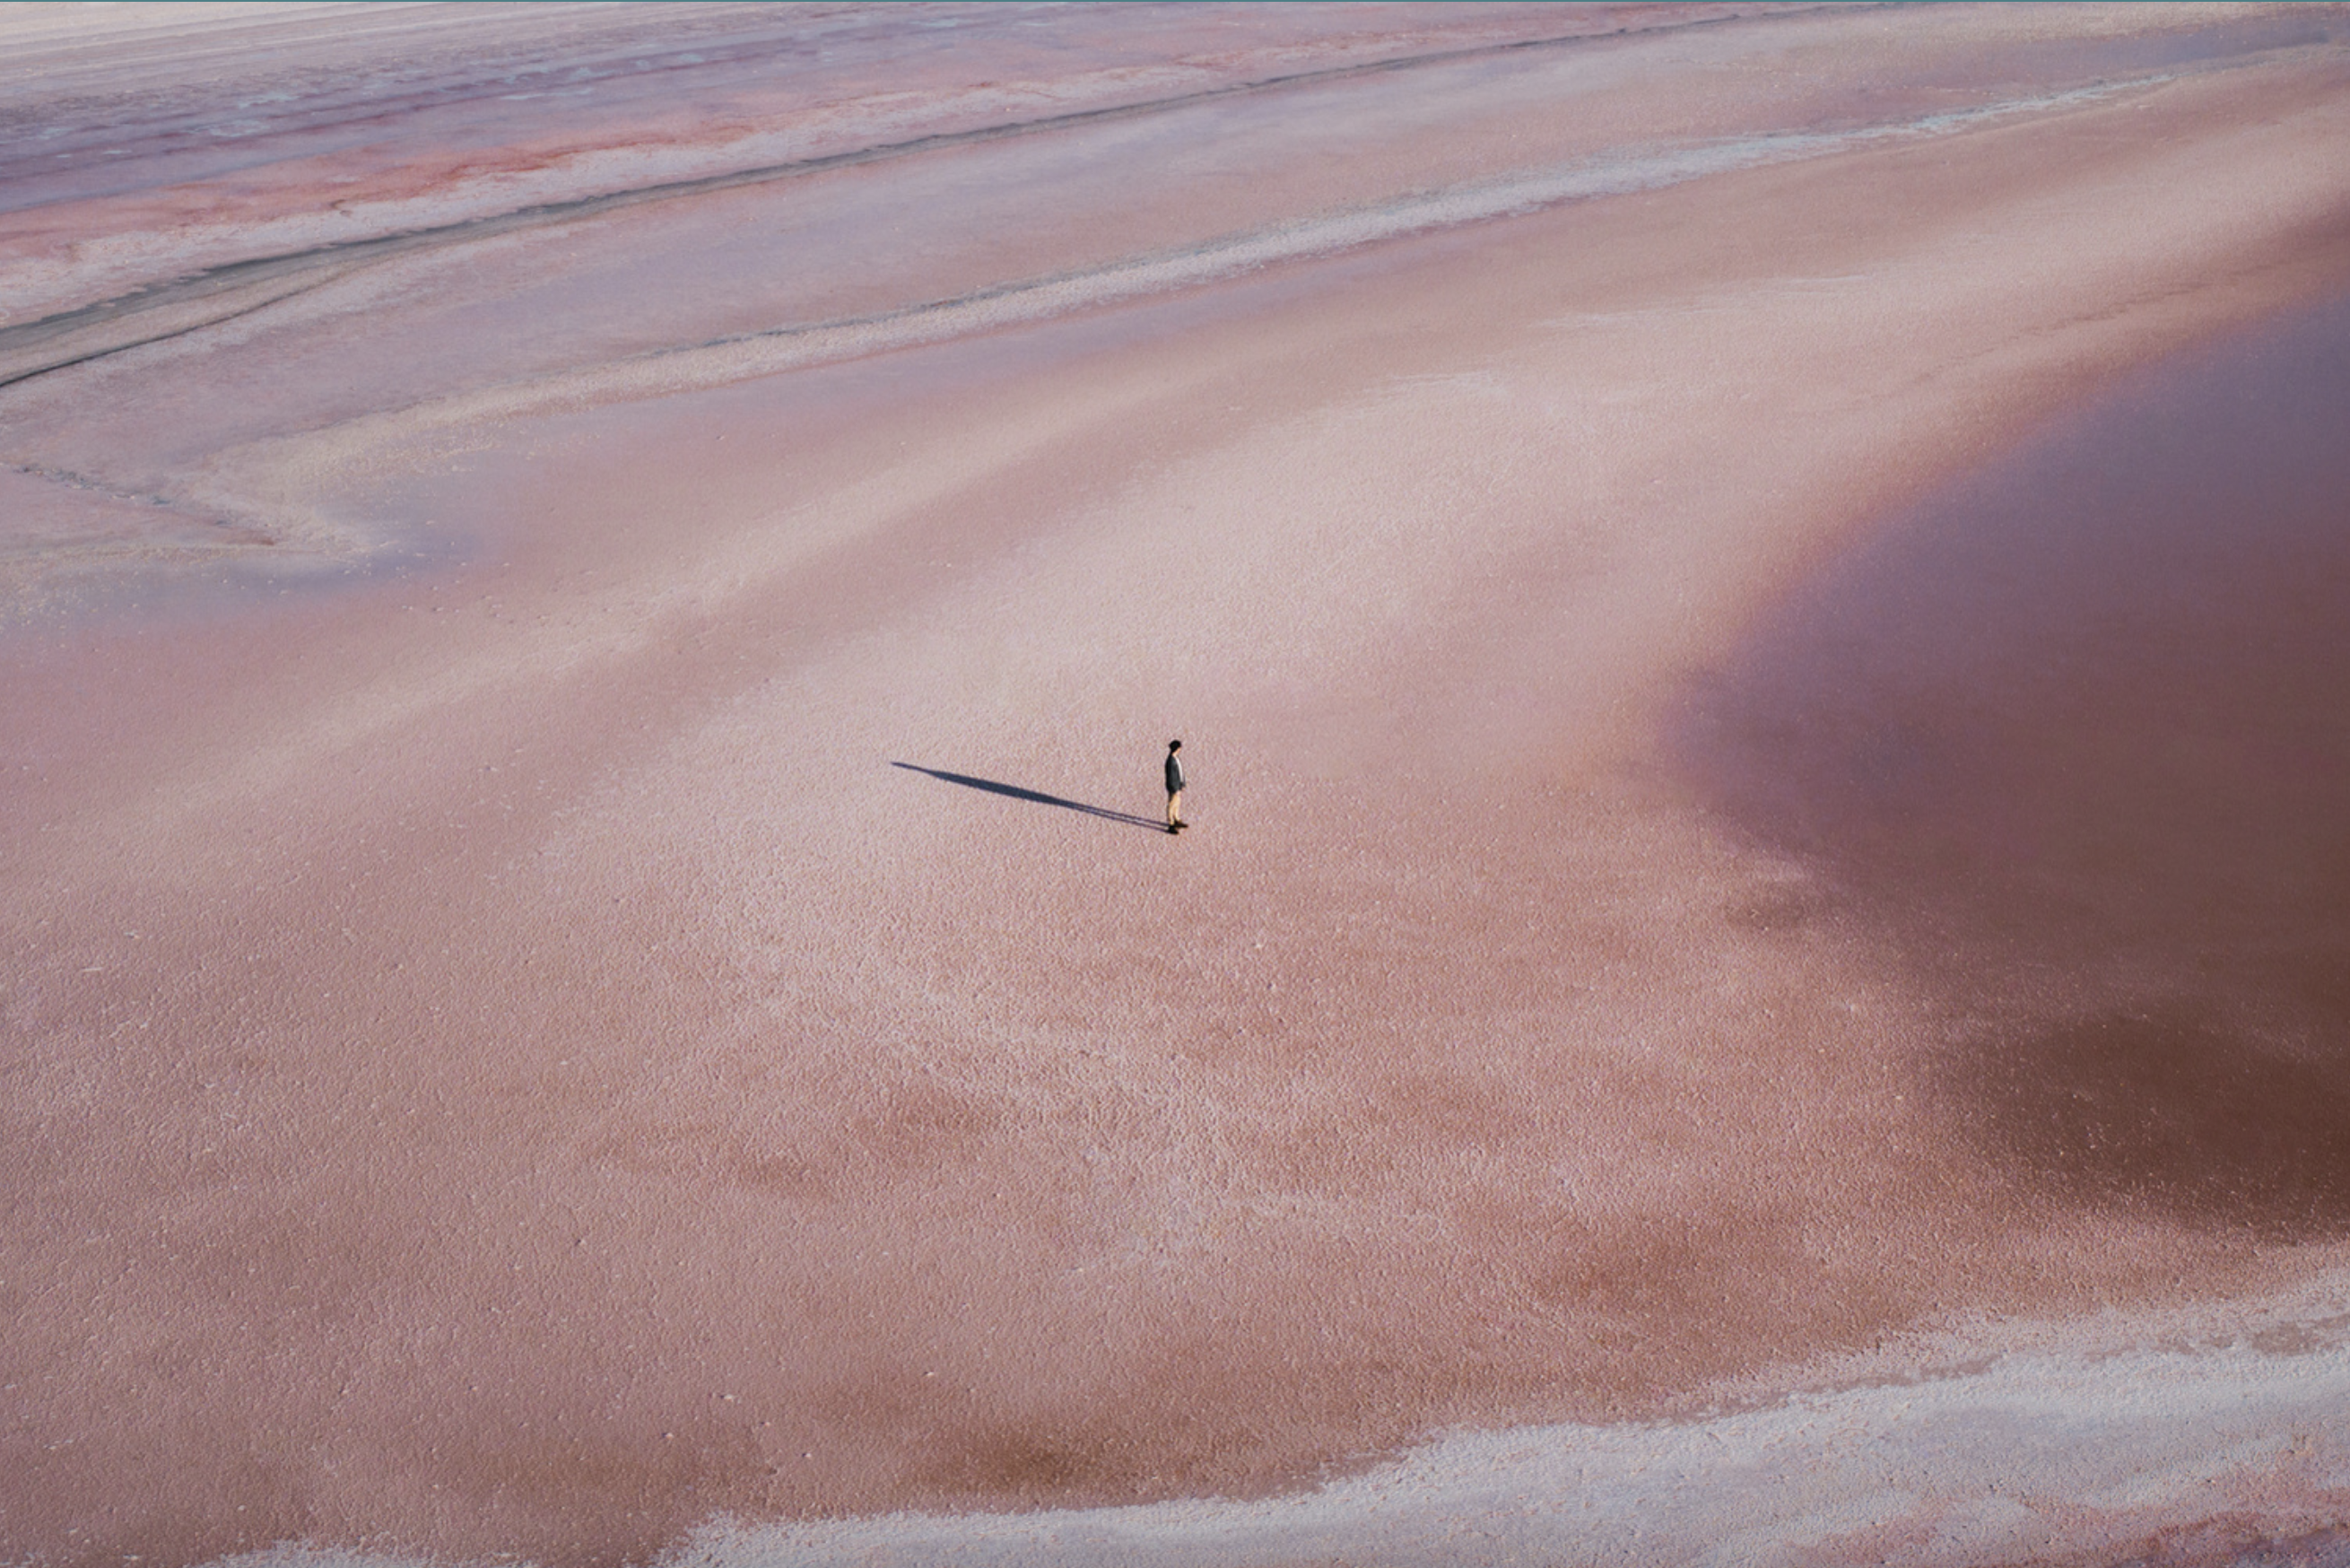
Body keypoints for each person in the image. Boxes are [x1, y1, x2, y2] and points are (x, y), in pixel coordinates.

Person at [1164, 739, 1186, 833]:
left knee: (1177, 803)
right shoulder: (1171, 761)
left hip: (1178, 786)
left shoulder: (1175, 758)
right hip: (1174, 787)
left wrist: (1182, 784)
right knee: (1172, 804)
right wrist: (1175, 788)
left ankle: (1176, 819)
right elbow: (1172, 777)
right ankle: (1171, 824)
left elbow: (1180, 772)